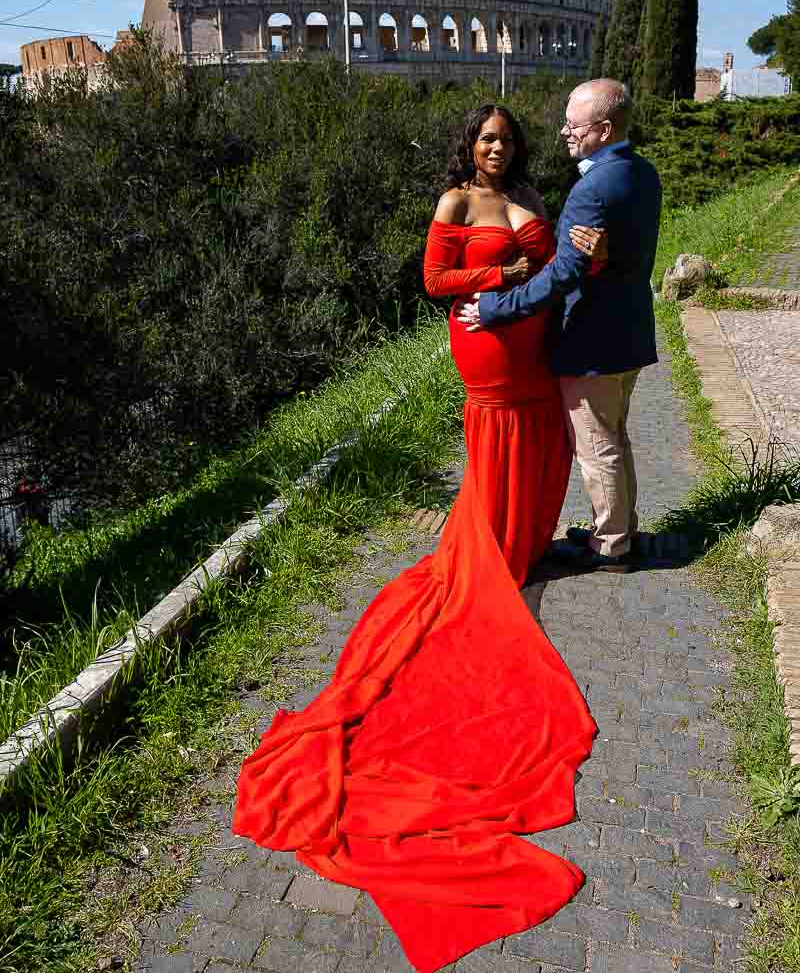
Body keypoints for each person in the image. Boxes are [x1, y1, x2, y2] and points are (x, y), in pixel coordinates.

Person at [234, 105, 607, 973]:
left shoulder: (528, 194)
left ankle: (515, 547)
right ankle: (490, 550)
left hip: (533, 341)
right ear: (468, 147)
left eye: (506, 141)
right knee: (499, 432)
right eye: (487, 140)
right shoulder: (451, 202)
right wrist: (500, 272)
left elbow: (557, 264)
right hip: (482, 339)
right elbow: (433, 282)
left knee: (540, 432)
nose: (497, 150)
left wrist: (549, 264)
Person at [458, 80, 662, 573]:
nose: (565, 131)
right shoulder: (643, 172)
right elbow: (628, 248)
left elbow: (563, 273)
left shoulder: (593, 186)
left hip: (592, 338)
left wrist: (496, 310)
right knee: (614, 436)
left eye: (575, 124)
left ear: (604, 129)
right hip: (629, 332)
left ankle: (611, 547)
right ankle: (619, 528)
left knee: (597, 446)